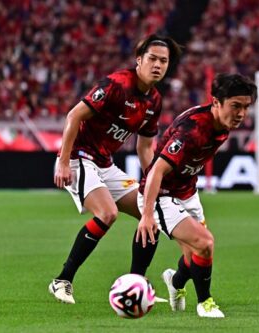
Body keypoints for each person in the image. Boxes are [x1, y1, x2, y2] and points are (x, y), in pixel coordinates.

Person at [49, 34, 182, 304]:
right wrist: (63, 161)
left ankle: (136, 285)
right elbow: (74, 115)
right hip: (79, 156)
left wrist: (151, 184)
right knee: (107, 213)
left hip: (105, 164)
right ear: (139, 60)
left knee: (151, 214)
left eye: (163, 61)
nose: (157, 65)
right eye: (153, 59)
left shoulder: (154, 101)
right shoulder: (116, 84)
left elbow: (145, 149)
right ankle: (62, 281)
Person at [135, 73, 257, 318]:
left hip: (187, 192)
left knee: (194, 257)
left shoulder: (222, 125)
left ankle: (175, 282)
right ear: (216, 102)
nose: (241, 113)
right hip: (162, 194)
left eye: (245, 107)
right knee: (205, 243)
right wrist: (147, 215)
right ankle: (205, 303)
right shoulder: (192, 131)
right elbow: (157, 170)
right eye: (235, 106)